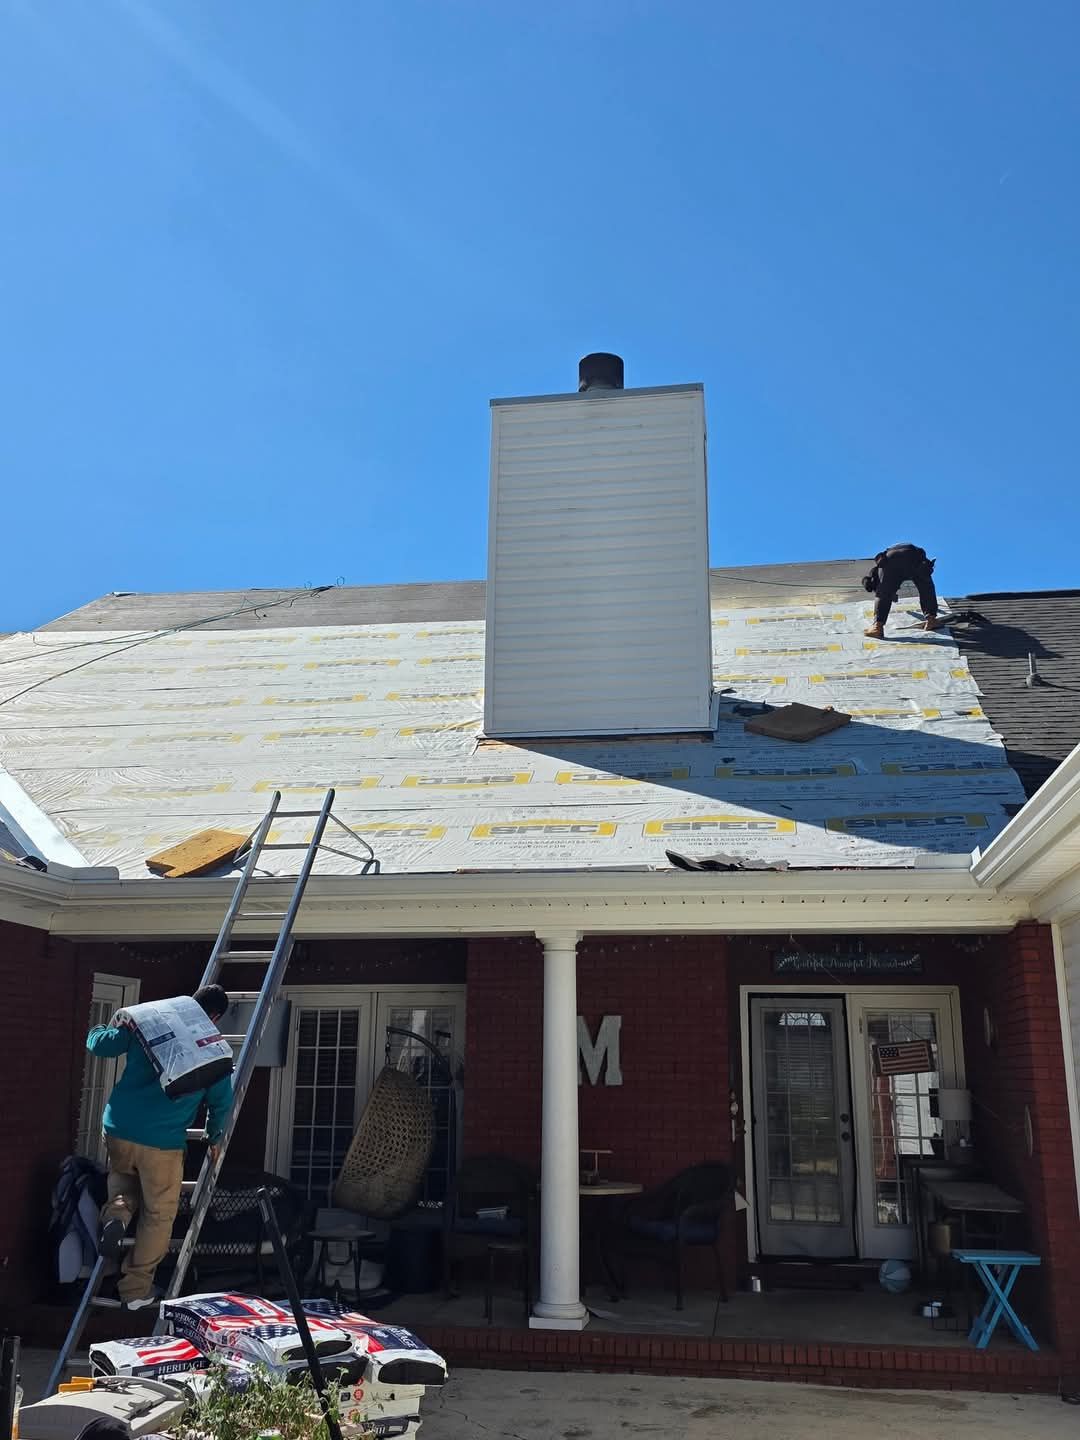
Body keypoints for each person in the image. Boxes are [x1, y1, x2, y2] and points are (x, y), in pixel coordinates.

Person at [87, 984, 233, 1308]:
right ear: (214, 1016)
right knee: (158, 1214)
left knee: (124, 1185)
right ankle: (135, 1291)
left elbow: (100, 1045)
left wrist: (101, 1028)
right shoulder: (211, 1050)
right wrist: (213, 1136)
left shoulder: (149, 1027)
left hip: (118, 1128)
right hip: (162, 1142)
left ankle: (116, 1217)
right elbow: (221, 1103)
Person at [862, 543, 942, 638]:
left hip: (891, 559)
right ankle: (931, 620)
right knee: (926, 586)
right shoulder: (878, 569)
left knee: (883, 592)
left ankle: (877, 627)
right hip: (912, 556)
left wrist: (888, 592)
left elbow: (883, 591)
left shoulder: (877, 572)